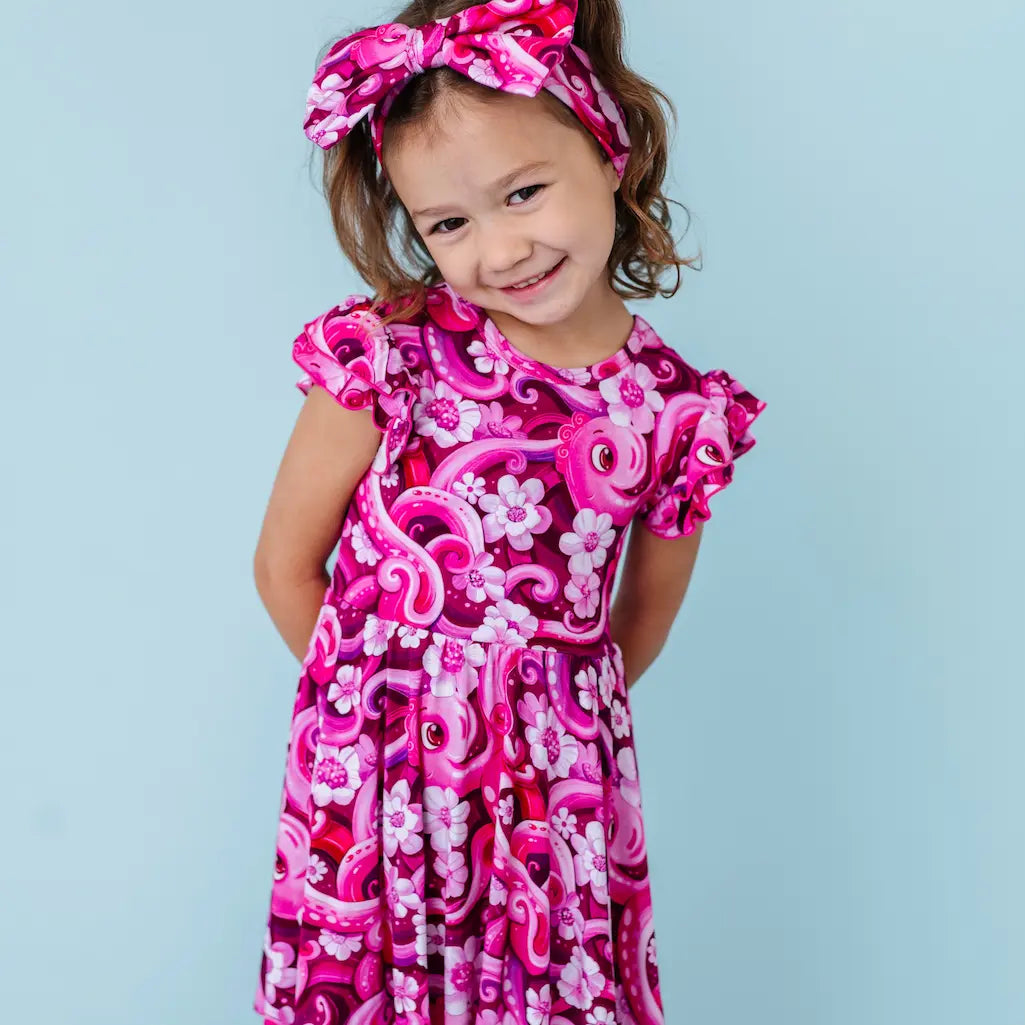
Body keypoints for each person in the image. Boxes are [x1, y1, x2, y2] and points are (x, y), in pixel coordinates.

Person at [251, 0, 766, 1021]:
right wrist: (374, 718)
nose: (499, 249)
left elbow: (633, 623)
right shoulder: (393, 356)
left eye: (522, 192)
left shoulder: (673, 411)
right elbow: (285, 565)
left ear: (608, 150)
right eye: (448, 224)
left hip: (552, 798)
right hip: (378, 784)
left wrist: (535, 721)